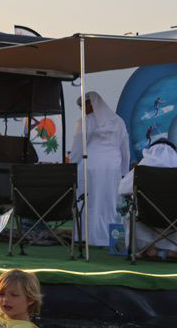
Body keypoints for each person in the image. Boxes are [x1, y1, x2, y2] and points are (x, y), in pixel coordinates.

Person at [70, 91, 130, 247]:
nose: (83, 110)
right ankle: (108, 240)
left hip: (90, 167)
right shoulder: (118, 121)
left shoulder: (85, 122)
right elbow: (125, 150)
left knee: (90, 203)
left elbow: (77, 148)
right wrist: (123, 172)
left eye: (84, 105)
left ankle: (86, 237)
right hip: (112, 168)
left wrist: (71, 167)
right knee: (108, 202)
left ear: (93, 104)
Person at [118, 138, 177, 259]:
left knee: (134, 211)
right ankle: (173, 251)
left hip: (146, 217)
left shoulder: (142, 168)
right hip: (174, 219)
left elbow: (122, 189)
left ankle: (149, 249)